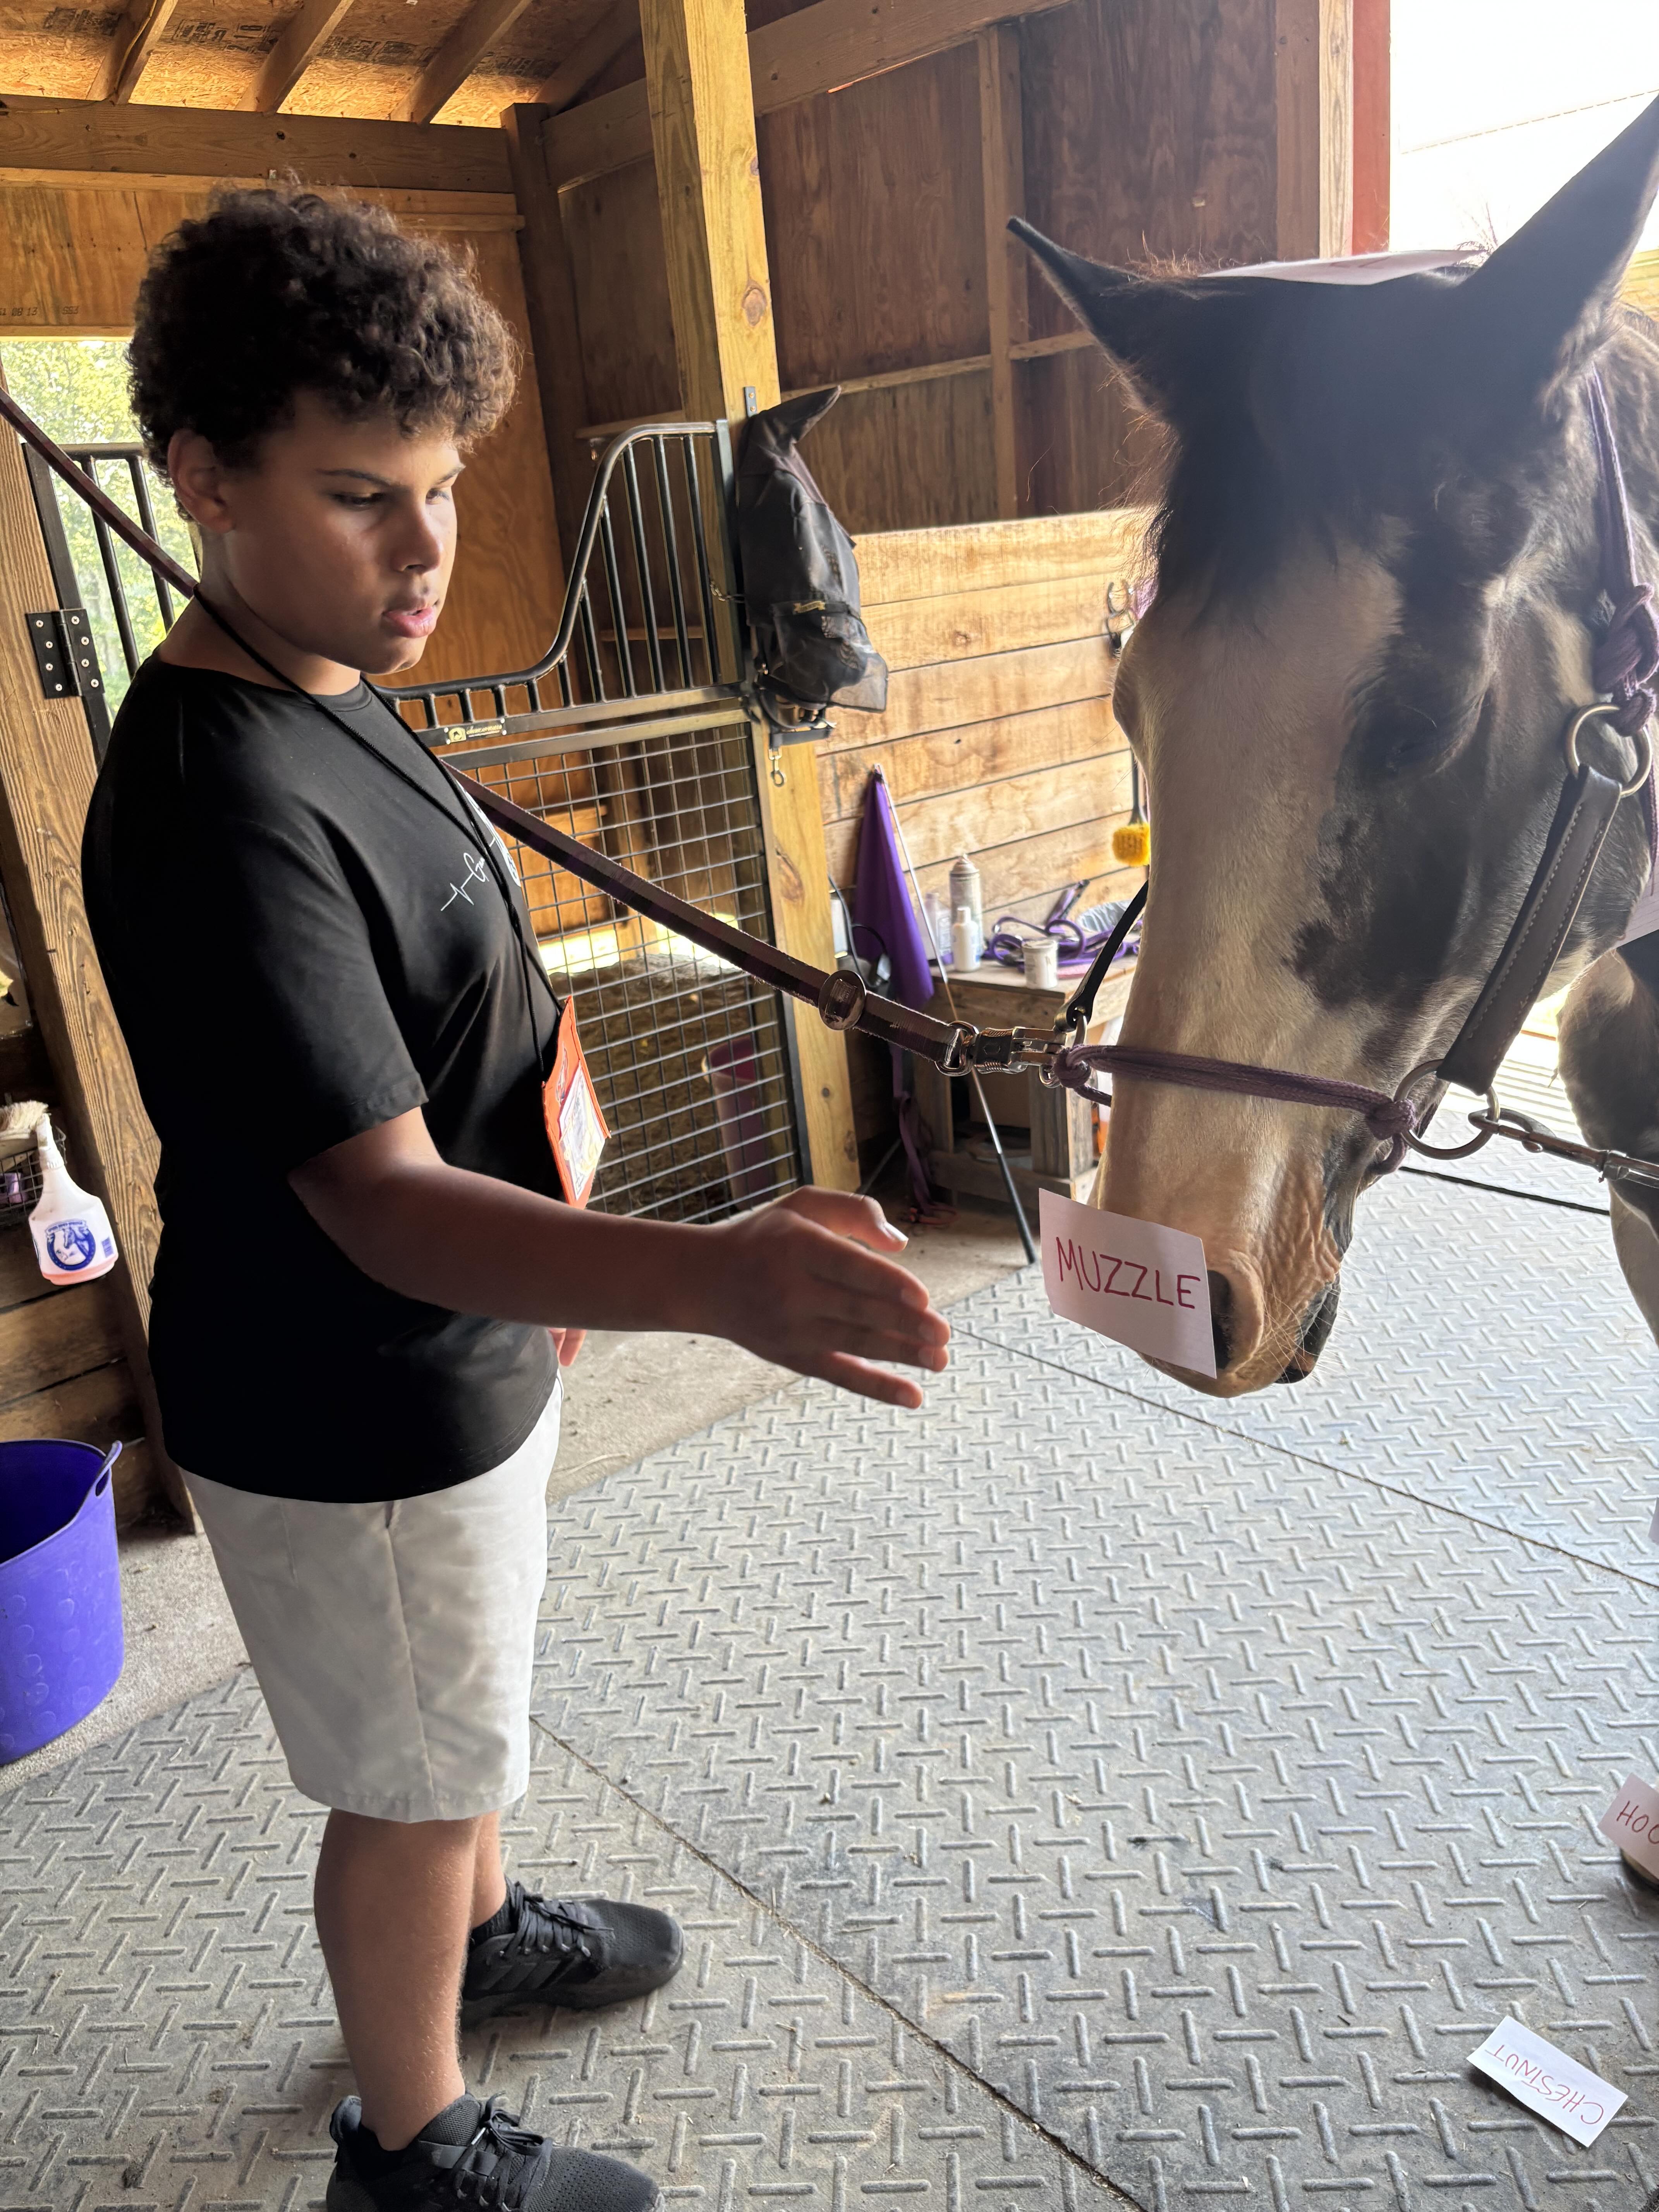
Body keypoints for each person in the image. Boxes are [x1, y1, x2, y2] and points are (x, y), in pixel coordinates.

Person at [81, 187, 950, 2212]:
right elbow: (381, 1201)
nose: (424, 555)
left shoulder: (332, 677)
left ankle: (477, 1941)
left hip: (461, 1350)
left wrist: (561, 1277)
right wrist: (710, 1280)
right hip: (351, 1389)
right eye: (360, 496)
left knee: (462, 1726)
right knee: (405, 1778)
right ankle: (410, 2145)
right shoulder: (219, 797)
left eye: (445, 491)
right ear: (198, 481)